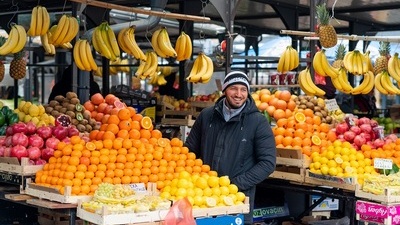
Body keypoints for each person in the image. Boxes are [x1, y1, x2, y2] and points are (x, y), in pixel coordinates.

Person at [185, 71, 276, 225]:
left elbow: (267, 163)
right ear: (225, 90)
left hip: (237, 199)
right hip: (203, 197)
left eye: (243, 89)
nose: (239, 94)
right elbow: (189, 152)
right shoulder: (207, 116)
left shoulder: (258, 122)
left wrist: (235, 184)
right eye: (234, 88)